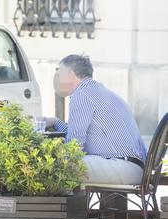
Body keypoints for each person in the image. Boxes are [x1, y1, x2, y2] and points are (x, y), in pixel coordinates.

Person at [49, 54, 147, 185]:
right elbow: (79, 132)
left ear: (70, 73)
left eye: (59, 71)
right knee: (68, 162)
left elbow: (74, 145)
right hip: (134, 167)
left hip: (121, 167)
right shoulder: (101, 92)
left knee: (57, 164)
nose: (57, 77)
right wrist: (55, 122)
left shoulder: (82, 95)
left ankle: (59, 206)